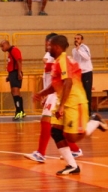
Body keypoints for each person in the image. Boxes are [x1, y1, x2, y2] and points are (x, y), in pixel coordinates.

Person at [33, 35, 107, 175]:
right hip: (65, 102)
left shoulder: (64, 61)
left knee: (72, 137)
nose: (48, 48)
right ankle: (72, 165)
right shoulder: (56, 62)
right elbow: (56, 85)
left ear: (57, 47)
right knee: (55, 131)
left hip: (74, 103)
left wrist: (61, 106)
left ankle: (94, 122)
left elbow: (68, 82)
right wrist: (41, 93)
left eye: (50, 46)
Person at [25, 33, 84, 163]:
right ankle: (74, 150)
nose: (48, 46)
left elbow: (63, 79)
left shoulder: (56, 58)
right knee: (57, 128)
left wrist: (47, 94)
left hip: (59, 94)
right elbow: (52, 78)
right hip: (55, 93)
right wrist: (44, 93)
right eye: (47, 44)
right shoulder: (55, 58)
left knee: (47, 122)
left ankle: (41, 153)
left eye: (50, 44)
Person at [0, 40, 25, 120]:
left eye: (2, 46)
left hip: (15, 73)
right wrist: (9, 76)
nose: (2, 48)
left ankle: (19, 111)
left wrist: (19, 73)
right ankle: (21, 111)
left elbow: (19, 61)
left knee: (15, 92)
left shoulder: (14, 50)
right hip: (12, 74)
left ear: (7, 44)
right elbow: (11, 64)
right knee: (15, 92)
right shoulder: (10, 52)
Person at [72, 34, 93, 115]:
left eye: (78, 38)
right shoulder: (74, 50)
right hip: (78, 73)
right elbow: (76, 61)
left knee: (87, 92)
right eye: (75, 38)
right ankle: (80, 111)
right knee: (79, 92)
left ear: (82, 40)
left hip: (87, 72)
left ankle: (88, 112)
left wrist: (79, 50)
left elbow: (87, 57)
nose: (76, 40)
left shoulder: (84, 48)